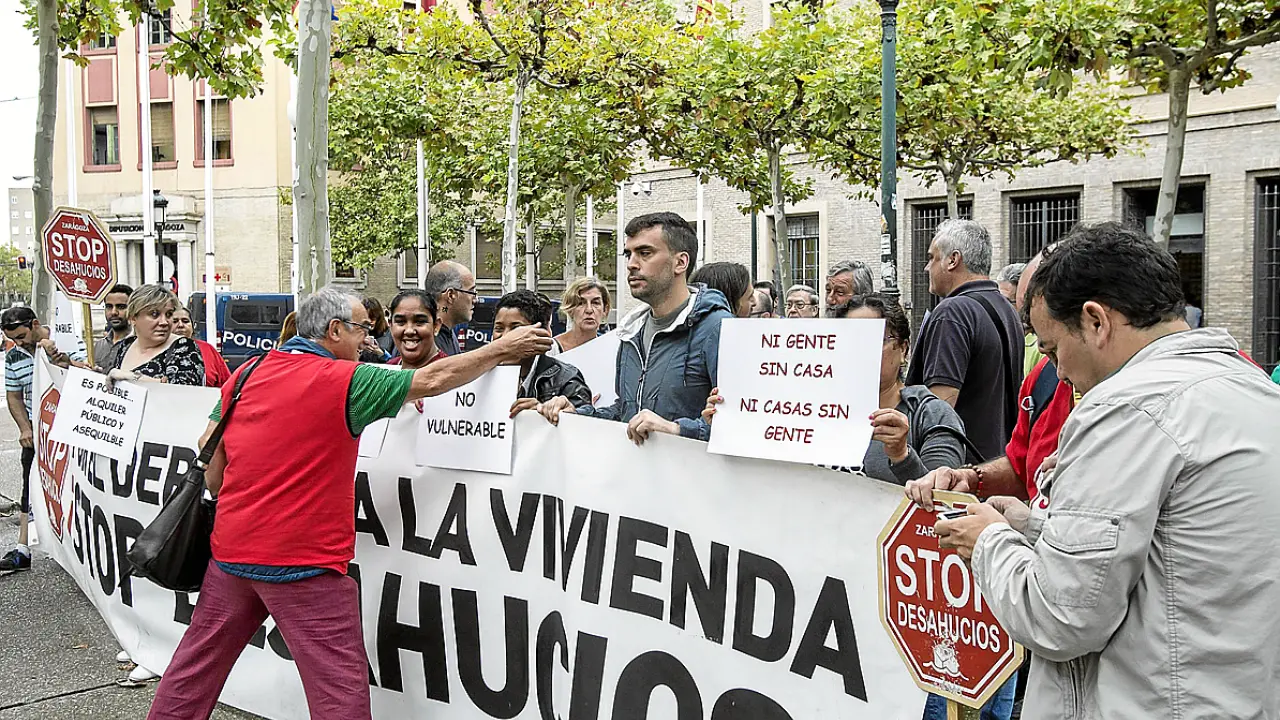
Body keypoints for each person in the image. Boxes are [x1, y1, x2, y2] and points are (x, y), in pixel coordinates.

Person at [146, 287, 552, 720]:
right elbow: (434, 380)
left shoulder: (249, 370)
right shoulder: (347, 380)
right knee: (338, 690)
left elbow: (209, 445)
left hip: (232, 552)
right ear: (335, 330)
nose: (368, 340)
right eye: (361, 329)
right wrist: (502, 349)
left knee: (194, 669)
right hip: (305, 565)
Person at [934, 222, 1280, 719]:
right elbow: (1170, 555)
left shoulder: (1125, 409)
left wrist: (988, 540)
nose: (1059, 373)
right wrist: (1034, 527)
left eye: (1053, 350)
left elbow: (1061, 616)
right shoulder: (1253, 389)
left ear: (1096, 321)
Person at [702, 293, 967, 484]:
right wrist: (734, 423)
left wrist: (901, 455)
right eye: (851, 341)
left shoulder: (930, 414)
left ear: (904, 349)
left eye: (875, 340)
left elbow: (942, 500)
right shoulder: (805, 408)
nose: (862, 351)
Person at [538, 212, 733, 445]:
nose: (631, 264)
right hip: (637, 468)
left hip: (692, 468)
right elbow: (626, 412)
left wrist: (676, 430)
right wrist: (576, 414)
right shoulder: (632, 331)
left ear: (681, 262)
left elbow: (743, 425)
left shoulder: (718, 328)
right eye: (628, 254)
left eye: (645, 253)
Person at [907, 220, 1023, 461]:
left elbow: (940, 408)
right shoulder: (1005, 307)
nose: (927, 268)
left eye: (932, 258)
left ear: (953, 260)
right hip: (996, 461)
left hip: (958, 466)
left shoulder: (953, 311)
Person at [0, 307, 83, 575]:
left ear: (35, 324)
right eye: (13, 339)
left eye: (22, 336)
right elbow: (14, 396)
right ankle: (22, 548)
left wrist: (62, 360)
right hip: (38, 430)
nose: (19, 343)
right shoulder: (13, 356)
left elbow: (89, 374)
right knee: (30, 485)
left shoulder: (65, 340)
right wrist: (25, 428)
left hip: (69, 429)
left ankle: (77, 546)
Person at [497, 290, 593, 417]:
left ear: (539, 333)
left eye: (516, 328)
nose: (505, 337)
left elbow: (584, 420)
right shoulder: (479, 374)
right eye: (499, 328)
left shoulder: (566, 379)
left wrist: (543, 414)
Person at [107, 285, 205, 387]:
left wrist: (133, 377)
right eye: (154, 314)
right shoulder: (125, 345)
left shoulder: (184, 347)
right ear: (133, 318)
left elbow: (185, 390)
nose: (164, 322)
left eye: (169, 314)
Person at [424, 260, 477, 356]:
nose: (475, 300)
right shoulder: (425, 342)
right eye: (471, 292)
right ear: (451, 295)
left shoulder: (448, 333)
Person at [170, 306, 231, 388]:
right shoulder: (157, 351)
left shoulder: (207, 349)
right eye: (174, 321)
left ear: (193, 326)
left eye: (185, 321)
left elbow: (227, 386)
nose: (180, 325)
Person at [386, 290, 446, 369]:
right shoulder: (388, 369)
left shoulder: (450, 372)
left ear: (436, 326)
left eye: (420, 322)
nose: (409, 331)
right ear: (390, 326)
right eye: (400, 322)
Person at [552, 277, 612, 355]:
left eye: (595, 303)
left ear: (605, 310)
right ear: (570, 309)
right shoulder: (552, 349)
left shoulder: (610, 349)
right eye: (581, 303)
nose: (589, 310)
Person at [94, 283, 134, 372]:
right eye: (109, 307)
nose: (114, 312)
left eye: (121, 307)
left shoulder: (140, 344)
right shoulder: (99, 345)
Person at [359, 297, 394, 362]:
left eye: (373, 318)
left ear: (379, 317)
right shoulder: (357, 334)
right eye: (367, 318)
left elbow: (397, 362)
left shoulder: (391, 335)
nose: (370, 321)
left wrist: (381, 353)